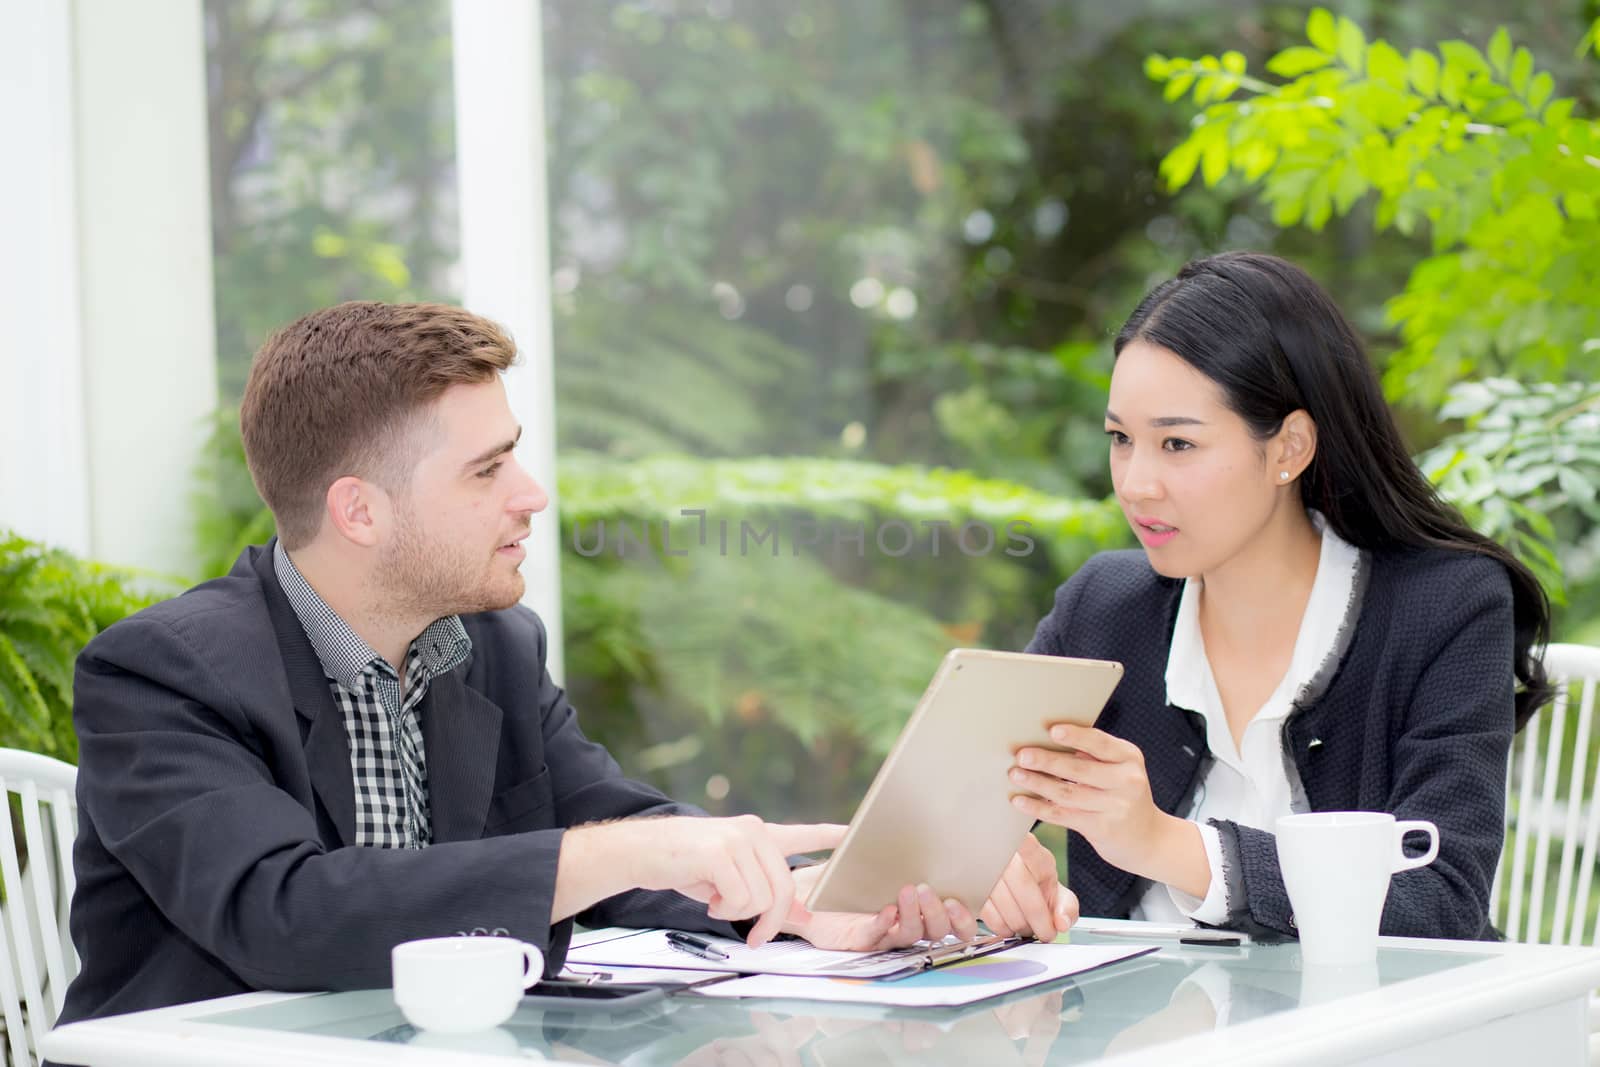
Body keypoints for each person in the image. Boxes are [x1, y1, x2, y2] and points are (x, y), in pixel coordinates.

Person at [61, 302, 1074, 1025]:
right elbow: (281, 912)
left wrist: (811, 899)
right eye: (489, 468)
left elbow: (617, 826)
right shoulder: (158, 674)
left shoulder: (490, 645)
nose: (533, 494)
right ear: (360, 510)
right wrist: (613, 855)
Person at [1006, 251, 1551, 941]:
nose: (1136, 482)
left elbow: (1441, 903)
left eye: (1176, 443)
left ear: (1290, 446)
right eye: (1121, 438)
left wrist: (1164, 844)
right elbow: (944, 819)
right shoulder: (1103, 607)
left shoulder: (1446, 606)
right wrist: (982, 864)